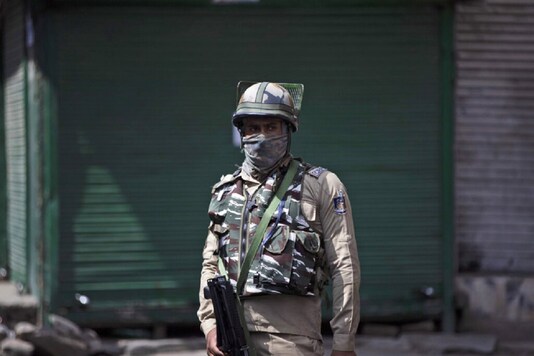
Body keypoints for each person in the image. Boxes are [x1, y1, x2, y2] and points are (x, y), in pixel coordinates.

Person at [198, 81, 360, 356]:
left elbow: (344, 266)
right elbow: (211, 264)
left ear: (288, 131)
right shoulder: (225, 191)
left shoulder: (320, 185)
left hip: (291, 340)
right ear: (242, 133)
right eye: (252, 128)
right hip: (230, 338)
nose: (260, 136)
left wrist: (344, 342)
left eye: (270, 127)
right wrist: (211, 324)